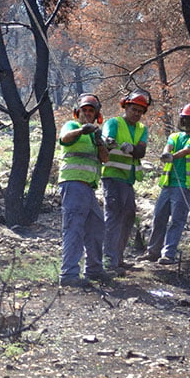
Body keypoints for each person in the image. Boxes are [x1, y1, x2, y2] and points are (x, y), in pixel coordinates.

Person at [138, 103, 190, 265]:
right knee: (159, 218)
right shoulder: (175, 136)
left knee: (177, 220)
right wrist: (166, 152)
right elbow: (169, 145)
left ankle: (168, 253)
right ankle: (153, 251)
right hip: (168, 185)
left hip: (184, 186)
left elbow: (186, 151)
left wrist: (172, 157)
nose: (188, 123)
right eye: (186, 120)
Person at [58, 93, 111, 287]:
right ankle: (69, 274)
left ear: (97, 115)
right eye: (84, 111)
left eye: (91, 111)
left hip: (88, 188)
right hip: (73, 183)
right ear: (77, 113)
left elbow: (105, 159)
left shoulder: (95, 136)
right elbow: (64, 138)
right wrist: (82, 130)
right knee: (74, 228)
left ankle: (94, 269)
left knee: (96, 226)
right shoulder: (72, 127)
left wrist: (98, 140)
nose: (87, 114)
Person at [101, 89, 150, 273]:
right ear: (126, 107)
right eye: (134, 109)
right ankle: (109, 260)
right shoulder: (114, 123)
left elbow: (141, 152)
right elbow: (106, 138)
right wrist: (111, 141)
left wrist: (131, 149)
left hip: (128, 179)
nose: (136, 114)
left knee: (128, 215)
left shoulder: (141, 129)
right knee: (113, 215)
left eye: (140, 111)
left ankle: (118, 257)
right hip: (112, 176)